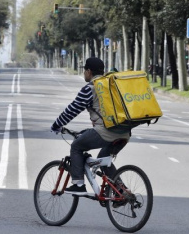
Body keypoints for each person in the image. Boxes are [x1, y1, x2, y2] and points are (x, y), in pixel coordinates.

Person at [50, 57, 131, 195]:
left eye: (84, 71)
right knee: (104, 159)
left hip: (106, 132)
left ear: (89, 71)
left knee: (76, 146)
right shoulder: (112, 85)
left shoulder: (90, 88)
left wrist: (57, 125)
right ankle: (121, 191)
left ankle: (78, 184)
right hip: (125, 132)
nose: (84, 74)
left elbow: (72, 110)